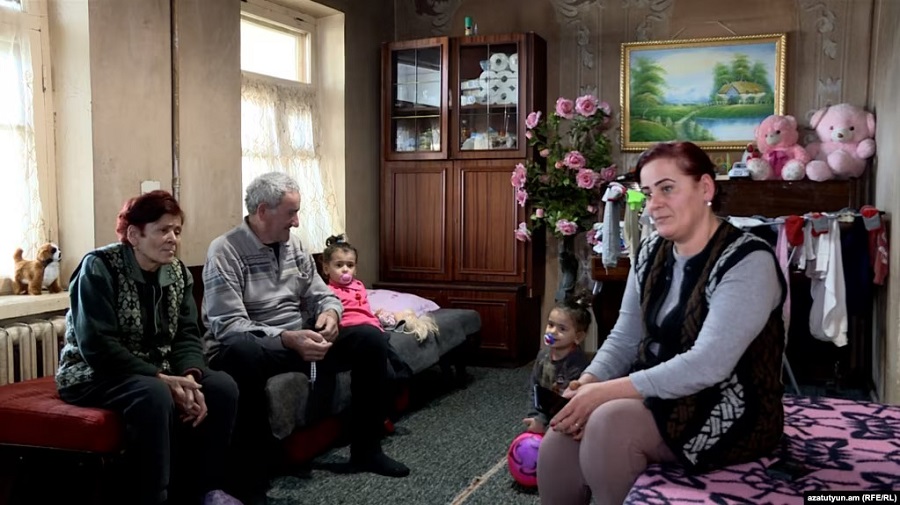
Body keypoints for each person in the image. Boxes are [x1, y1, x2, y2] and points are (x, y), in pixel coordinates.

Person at [537, 141, 786, 505]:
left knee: (607, 424)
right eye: (648, 192)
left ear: (705, 188)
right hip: (657, 394)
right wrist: (588, 383)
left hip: (730, 406)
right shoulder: (651, 251)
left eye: (667, 188)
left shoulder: (747, 261)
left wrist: (605, 394)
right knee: (559, 439)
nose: (653, 205)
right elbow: (625, 337)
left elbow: (709, 363)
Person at [202, 172, 410, 502]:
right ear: (262, 211)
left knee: (370, 339)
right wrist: (286, 338)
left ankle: (367, 450)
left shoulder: (295, 246)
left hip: (300, 339)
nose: (297, 222)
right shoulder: (225, 251)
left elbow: (321, 295)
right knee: (241, 353)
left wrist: (330, 314)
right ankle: (249, 482)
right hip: (259, 345)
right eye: (291, 213)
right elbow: (227, 325)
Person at [55, 190, 240, 505]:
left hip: (158, 370)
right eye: (163, 230)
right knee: (154, 394)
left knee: (222, 387)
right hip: (94, 372)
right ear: (134, 235)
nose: (172, 239)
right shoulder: (99, 267)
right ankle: (153, 497)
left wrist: (190, 377)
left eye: (177, 231)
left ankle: (203, 490)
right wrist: (162, 379)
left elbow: (186, 335)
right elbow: (97, 345)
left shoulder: (178, 273)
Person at [523, 294, 591, 435]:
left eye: (562, 329)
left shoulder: (577, 364)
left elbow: (567, 403)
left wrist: (544, 424)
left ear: (578, 337)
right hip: (544, 414)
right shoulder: (543, 355)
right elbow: (534, 388)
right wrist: (534, 416)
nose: (553, 332)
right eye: (550, 325)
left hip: (566, 418)